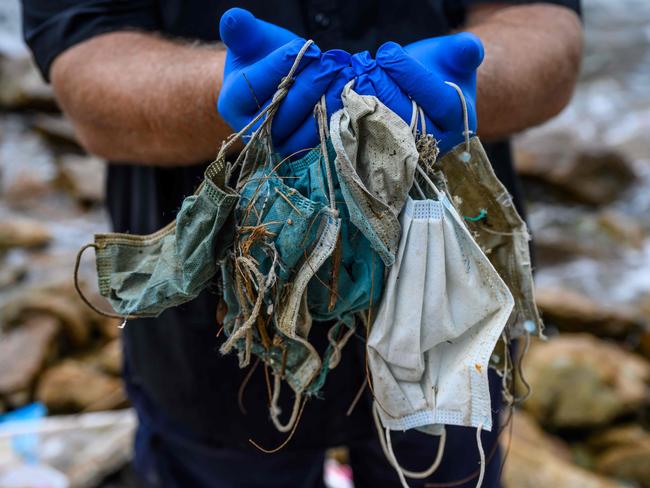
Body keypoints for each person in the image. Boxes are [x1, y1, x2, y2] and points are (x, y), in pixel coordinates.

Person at [21, 2, 582, 487]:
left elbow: (545, 24)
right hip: (216, 336)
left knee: (448, 464)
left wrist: (479, 82)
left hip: (450, 310)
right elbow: (84, 54)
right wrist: (216, 94)